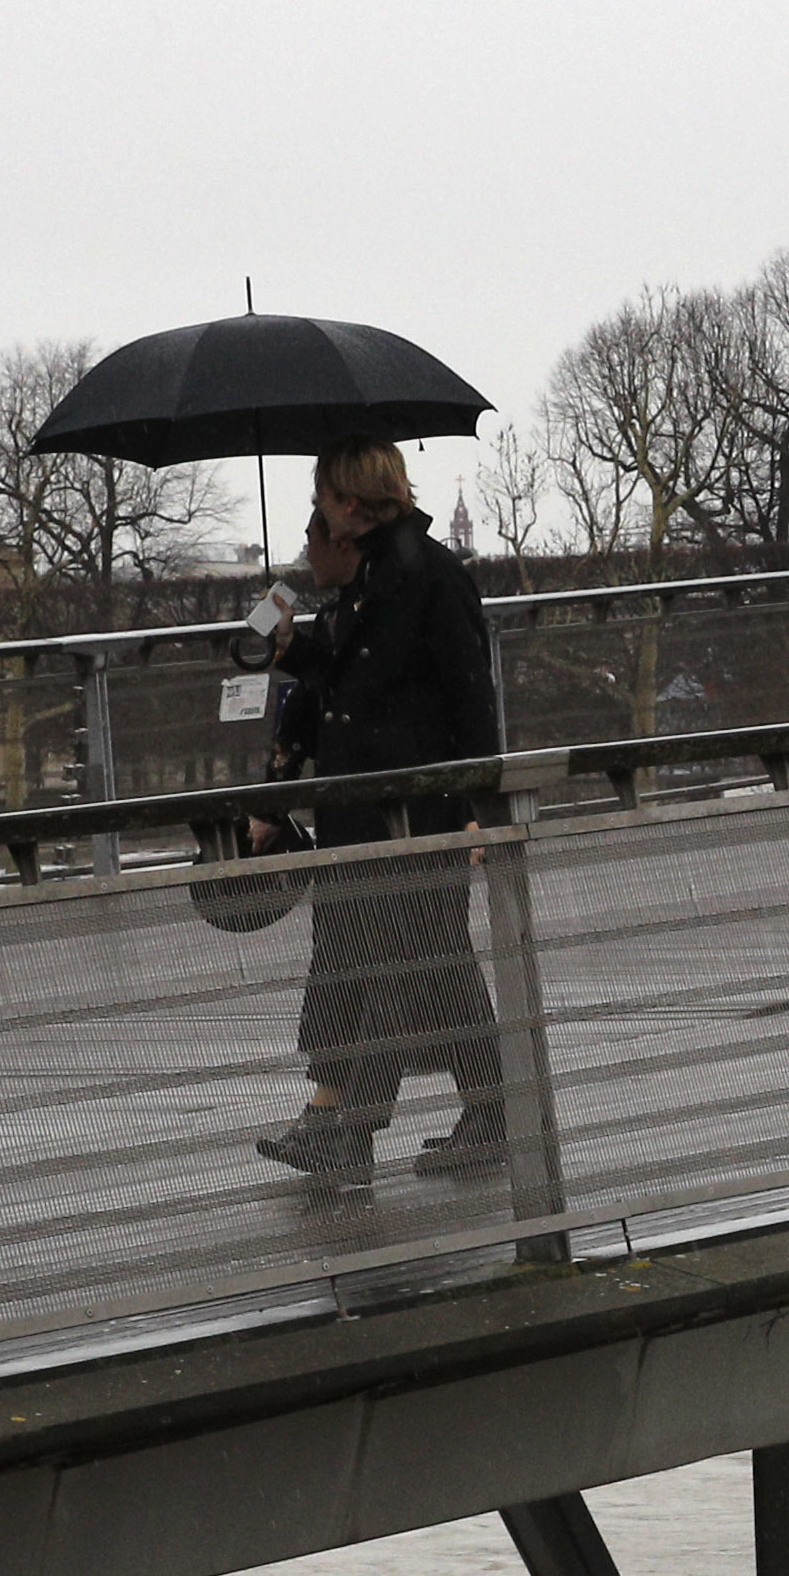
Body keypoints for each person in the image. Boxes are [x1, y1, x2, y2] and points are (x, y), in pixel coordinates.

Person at [257, 443, 509, 1190]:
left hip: (415, 812)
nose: (323, 513)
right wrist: (295, 650)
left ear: (354, 503)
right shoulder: (368, 582)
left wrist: (473, 809)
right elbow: (351, 684)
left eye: (328, 497)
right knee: (427, 962)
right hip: (363, 810)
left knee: (393, 962)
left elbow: (470, 696)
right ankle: (487, 1113)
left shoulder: (429, 577)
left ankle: (348, 1125)